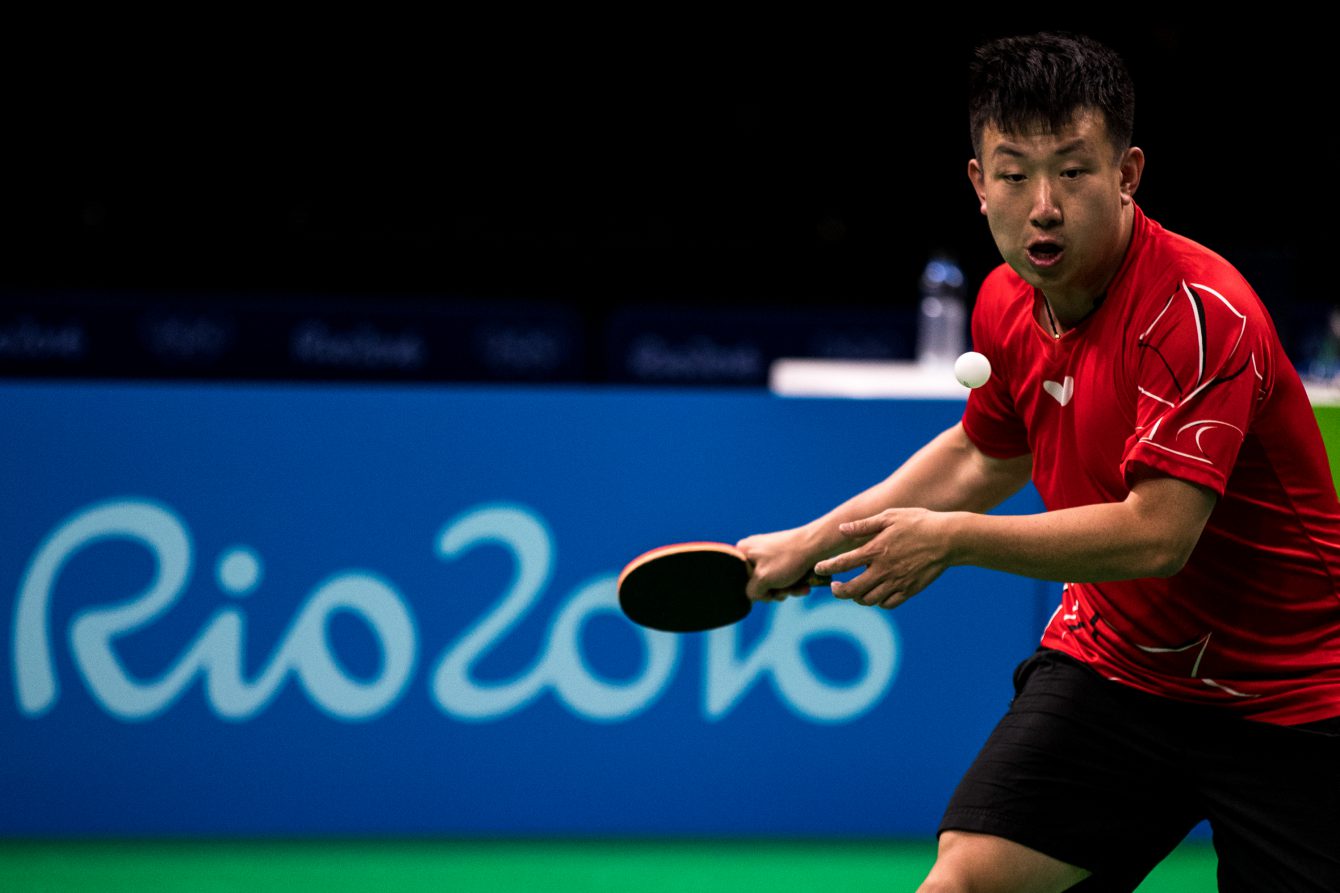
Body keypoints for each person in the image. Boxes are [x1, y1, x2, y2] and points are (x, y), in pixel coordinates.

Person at [736, 31, 1340, 893]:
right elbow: (984, 454)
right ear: (979, 184)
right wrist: (815, 539)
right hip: (1119, 670)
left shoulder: (1199, 315)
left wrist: (952, 541)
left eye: (1073, 171)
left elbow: (1155, 535)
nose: (1043, 206)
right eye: (1014, 174)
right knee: (967, 880)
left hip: (1293, 697)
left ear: (1129, 174)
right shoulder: (1006, 301)